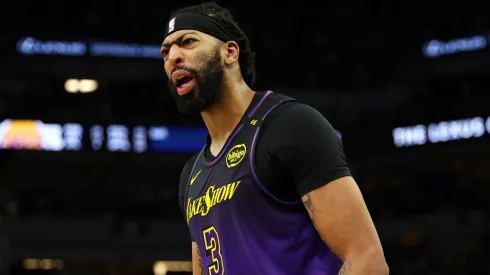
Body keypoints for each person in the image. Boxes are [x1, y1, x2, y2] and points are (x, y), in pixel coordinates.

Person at [161, 2, 388, 274]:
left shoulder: (291, 126)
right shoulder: (191, 175)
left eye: (188, 42)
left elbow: (368, 260)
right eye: (165, 51)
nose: (172, 56)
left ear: (230, 53)